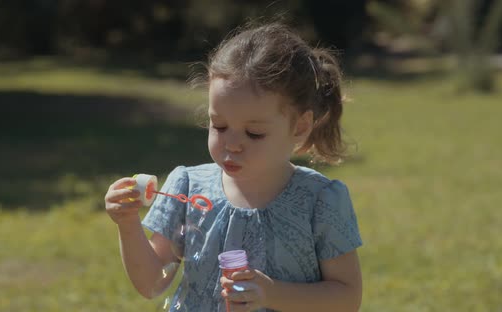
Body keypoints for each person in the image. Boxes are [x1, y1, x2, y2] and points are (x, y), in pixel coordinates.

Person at [104, 22, 363, 312]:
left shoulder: (320, 200)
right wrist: (128, 225)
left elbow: (347, 298)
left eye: (254, 133)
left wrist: (272, 294)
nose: (233, 144)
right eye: (220, 126)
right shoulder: (188, 186)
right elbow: (151, 282)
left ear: (300, 127)